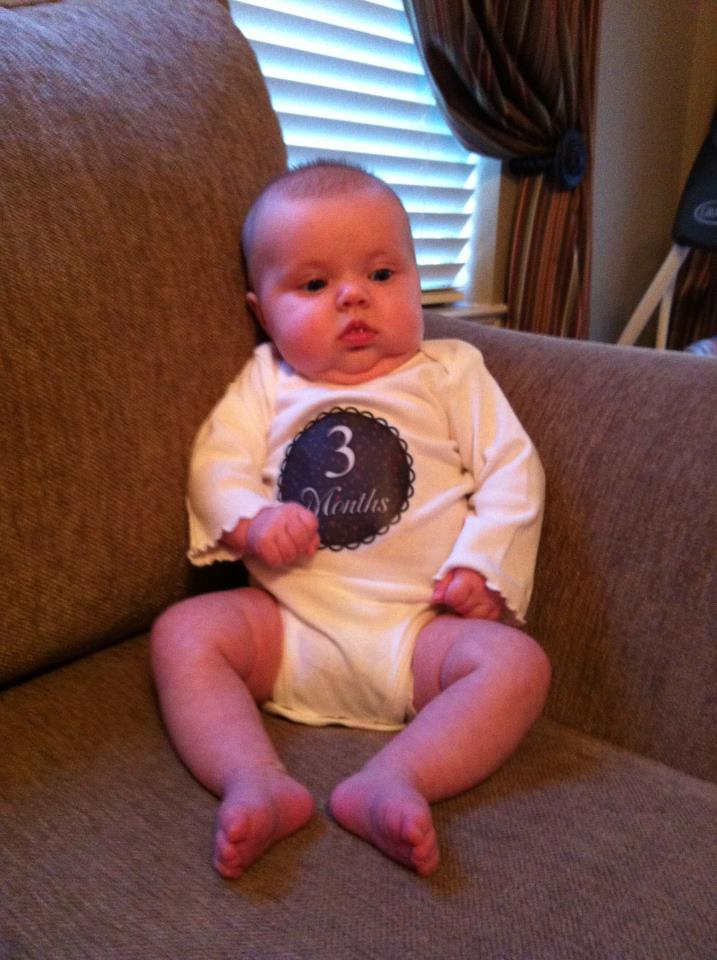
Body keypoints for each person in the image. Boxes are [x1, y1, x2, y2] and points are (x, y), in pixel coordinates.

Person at [151, 161, 551, 880]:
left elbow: (512, 473)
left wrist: (483, 566)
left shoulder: (450, 372)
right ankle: (254, 780)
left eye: (381, 274)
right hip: (284, 626)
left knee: (517, 665)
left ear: (415, 280)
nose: (352, 297)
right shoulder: (267, 381)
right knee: (183, 632)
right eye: (313, 285)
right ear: (262, 312)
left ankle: (395, 779)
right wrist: (252, 522)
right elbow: (216, 464)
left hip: (418, 633)